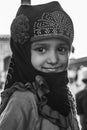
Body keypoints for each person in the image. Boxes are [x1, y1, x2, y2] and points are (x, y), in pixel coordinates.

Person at [0, 1, 80, 130]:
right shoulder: (23, 100)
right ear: (24, 53)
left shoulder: (64, 95)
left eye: (61, 49)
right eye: (41, 49)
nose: (53, 59)